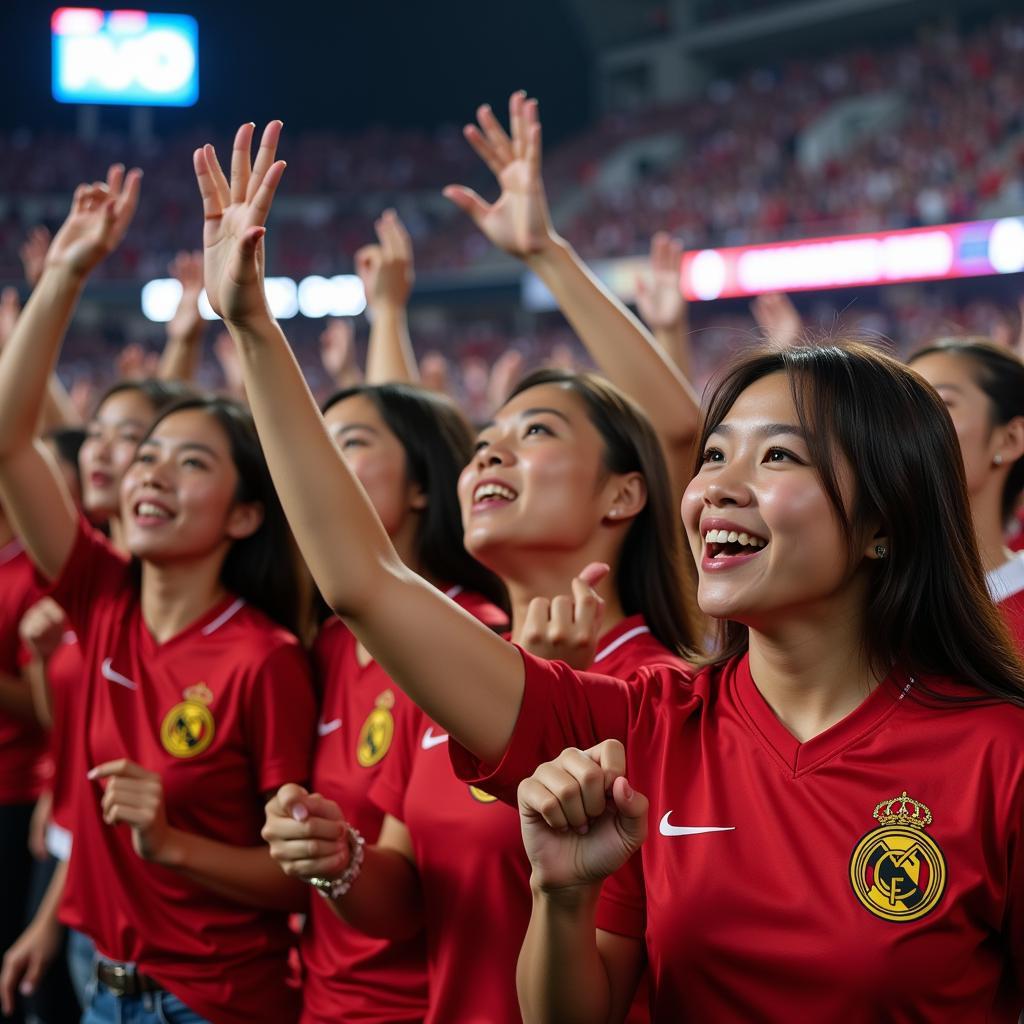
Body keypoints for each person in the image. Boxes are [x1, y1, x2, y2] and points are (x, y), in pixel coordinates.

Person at [0, 162, 316, 1024]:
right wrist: (64, 272)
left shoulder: (267, 659)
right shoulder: (101, 593)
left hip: (211, 1003)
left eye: (191, 461)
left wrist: (172, 844)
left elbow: (297, 874)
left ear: (247, 514)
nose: (152, 473)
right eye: (148, 455)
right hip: (97, 977)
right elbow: (10, 440)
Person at [268, 381, 508, 1024]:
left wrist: (337, 858)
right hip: (320, 998)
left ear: (423, 485)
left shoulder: (477, 638)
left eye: (350, 444)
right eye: (319, 444)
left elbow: (418, 884)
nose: (320, 464)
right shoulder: (332, 641)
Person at [910, 339, 1024, 646]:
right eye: (898, 407)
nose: (904, 424)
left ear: (1010, 439)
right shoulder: (857, 600)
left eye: (941, 403)